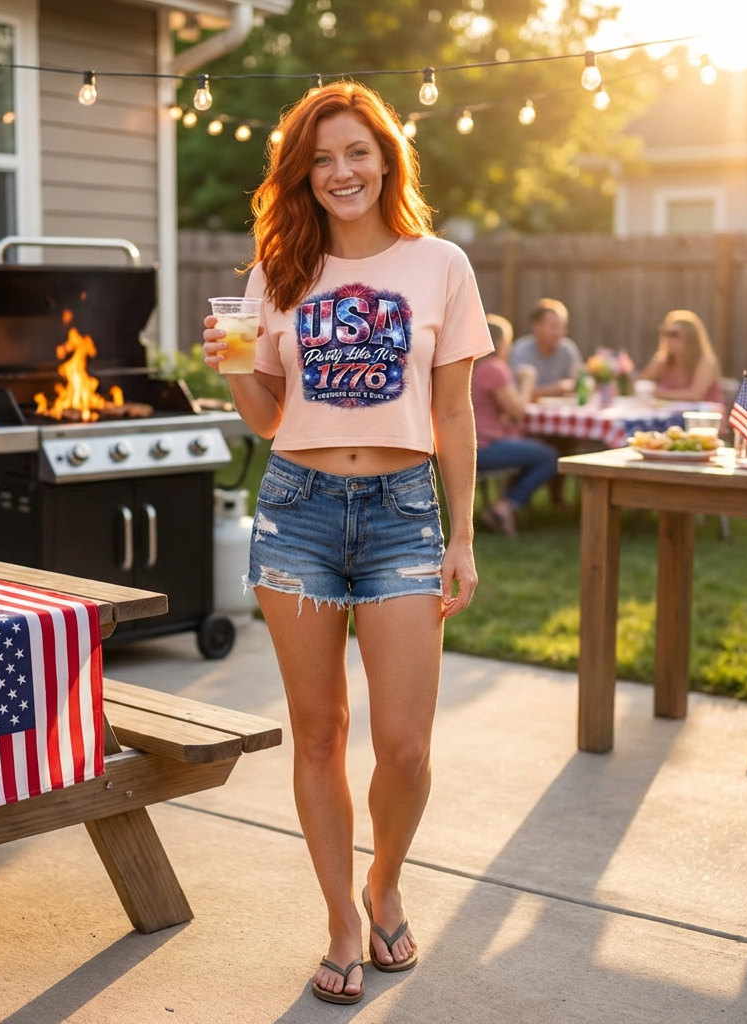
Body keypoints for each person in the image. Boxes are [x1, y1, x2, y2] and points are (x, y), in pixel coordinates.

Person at [202, 83, 491, 1002]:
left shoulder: (440, 263)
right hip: (299, 510)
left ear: (386, 158)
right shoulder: (278, 272)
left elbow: (454, 411)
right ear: (302, 173)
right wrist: (233, 368)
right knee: (320, 733)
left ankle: (385, 881)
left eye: (356, 152)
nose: (340, 173)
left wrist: (463, 534)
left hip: (405, 511)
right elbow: (267, 416)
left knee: (404, 744)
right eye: (321, 158)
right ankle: (339, 921)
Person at [472, 314, 560, 536]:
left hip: (460, 448)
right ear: (499, 343)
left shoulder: (468, 366)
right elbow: (518, 411)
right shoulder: (494, 368)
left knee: (530, 449)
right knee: (549, 457)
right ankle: (504, 507)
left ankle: (507, 504)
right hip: (484, 449)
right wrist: (529, 379)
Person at [637, 309, 724, 403]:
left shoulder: (706, 362)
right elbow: (639, 383)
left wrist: (657, 393)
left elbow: (695, 396)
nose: (668, 339)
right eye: (665, 333)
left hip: (704, 416)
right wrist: (625, 372)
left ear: (690, 338)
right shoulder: (663, 361)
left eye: (674, 334)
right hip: (671, 414)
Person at [508, 298, 582, 398]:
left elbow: (580, 384)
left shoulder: (568, 349)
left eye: (562, 327)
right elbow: (515, 394)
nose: (559, 333)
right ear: (537, 327)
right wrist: (553, 389)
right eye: (554, 327)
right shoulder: (521, 350)